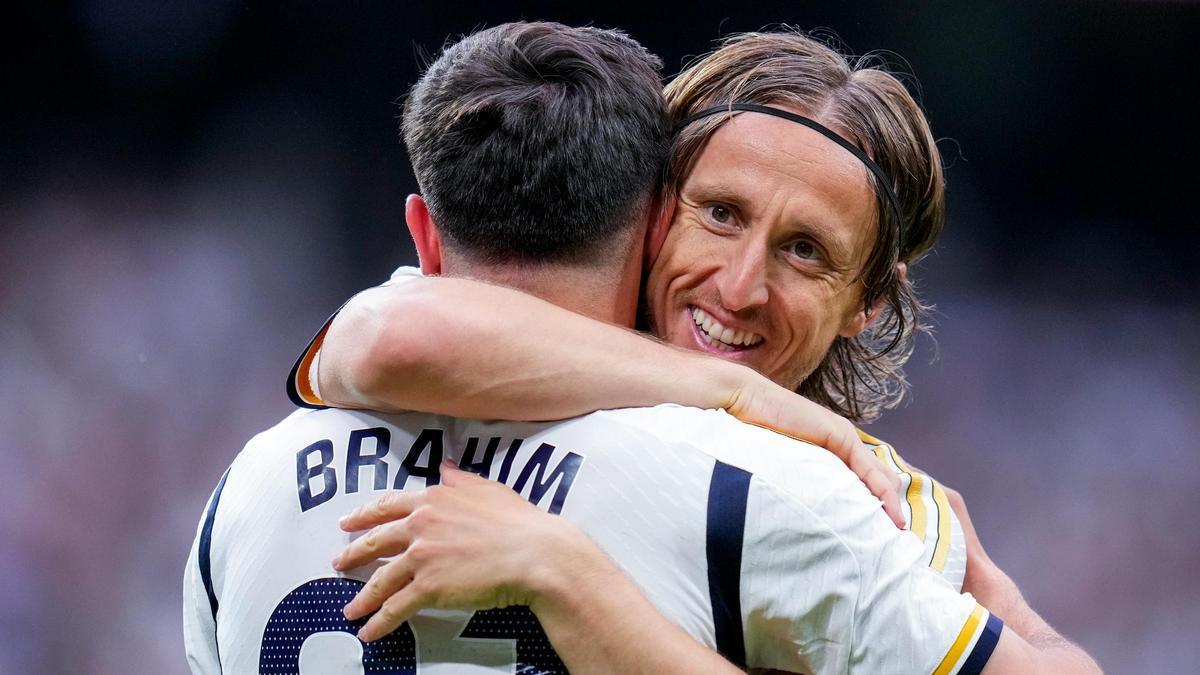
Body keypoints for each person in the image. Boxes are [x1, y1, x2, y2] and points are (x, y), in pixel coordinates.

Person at [184, 23, 1098, 675]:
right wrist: (574, 580)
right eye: (722, 214)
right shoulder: (792, 493)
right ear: (656, 208)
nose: (740, 287)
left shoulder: (243, 492)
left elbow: (382, 336)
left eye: (806, 250)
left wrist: (997, 592)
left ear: (870, 301)